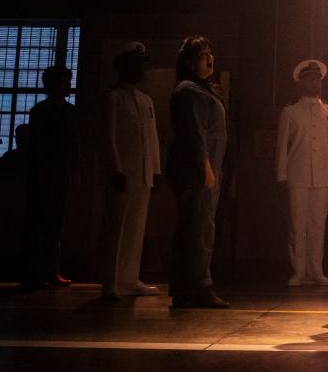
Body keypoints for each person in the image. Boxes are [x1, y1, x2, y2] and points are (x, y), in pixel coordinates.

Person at [166, 36, 229, 309]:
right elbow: (194, 133)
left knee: (199, 227)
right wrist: (205, 167)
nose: (210, 58)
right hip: (198, 171)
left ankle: (188, 287)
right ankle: (197, 286)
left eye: (210, 52)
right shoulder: (189, 91)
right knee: (198, 228)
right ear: (190, 62)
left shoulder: (203, 90)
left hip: (208, 169)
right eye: (203, 54)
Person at [97, 41, 162, 301]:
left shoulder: (145, 99)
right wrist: (115, 169)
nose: (140, 70)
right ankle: (110, 281)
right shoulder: (112, 97)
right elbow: (108, 137)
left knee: (136, 225)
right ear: (122, 67)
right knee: (116, 226)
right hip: (123, 173)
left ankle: (129, 277)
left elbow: (152, 138)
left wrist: (156, 169)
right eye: (135, 65)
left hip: (143, 172)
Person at [275, 59, 328, 286]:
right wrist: (282, 174)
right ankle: (299, 270)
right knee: (297, 223)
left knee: (318, 223)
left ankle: (316, 270)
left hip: (322, 174)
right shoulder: (291, 112)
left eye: (317, 79)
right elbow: (282, 145)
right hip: (298, 173)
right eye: (310, 78)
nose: (315, 82)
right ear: (302, 82)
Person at [21, 66, 79, 290]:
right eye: (64, 82)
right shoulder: (40, 111)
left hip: (61, 172)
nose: (67, 86)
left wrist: (76, 169)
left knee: (55, 223)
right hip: (43, 172)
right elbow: (36, 146)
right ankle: (33, 273)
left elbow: (75, 143)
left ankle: (50, 271)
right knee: (37, 224)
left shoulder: (68, 111)